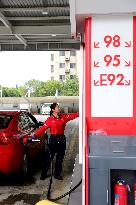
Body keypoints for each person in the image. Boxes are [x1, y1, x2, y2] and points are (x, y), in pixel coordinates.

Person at [35, 102, 79, 180]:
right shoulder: (49, 119)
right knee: (48, 158)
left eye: (58, 107)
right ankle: (44, 174)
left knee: (60, 158)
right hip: (53, 140)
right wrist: (34, 135)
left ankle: (57, 174)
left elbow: (73, 115)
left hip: (62, 139)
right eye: (57, 107)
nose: (59, 108)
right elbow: (42, 129)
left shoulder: (63, 117)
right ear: (53, 110)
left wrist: (82, 111)